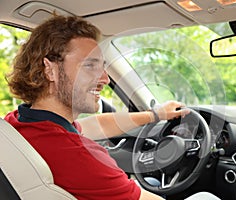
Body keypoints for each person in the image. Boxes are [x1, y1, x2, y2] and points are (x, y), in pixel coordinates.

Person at [5, 15, 220, 200]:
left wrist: (156, 114)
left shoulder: (17, 125)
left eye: (103, 67)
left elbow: (97, 124)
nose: (105, 79)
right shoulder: (79, 155)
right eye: (90, 65)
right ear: (50, 70)